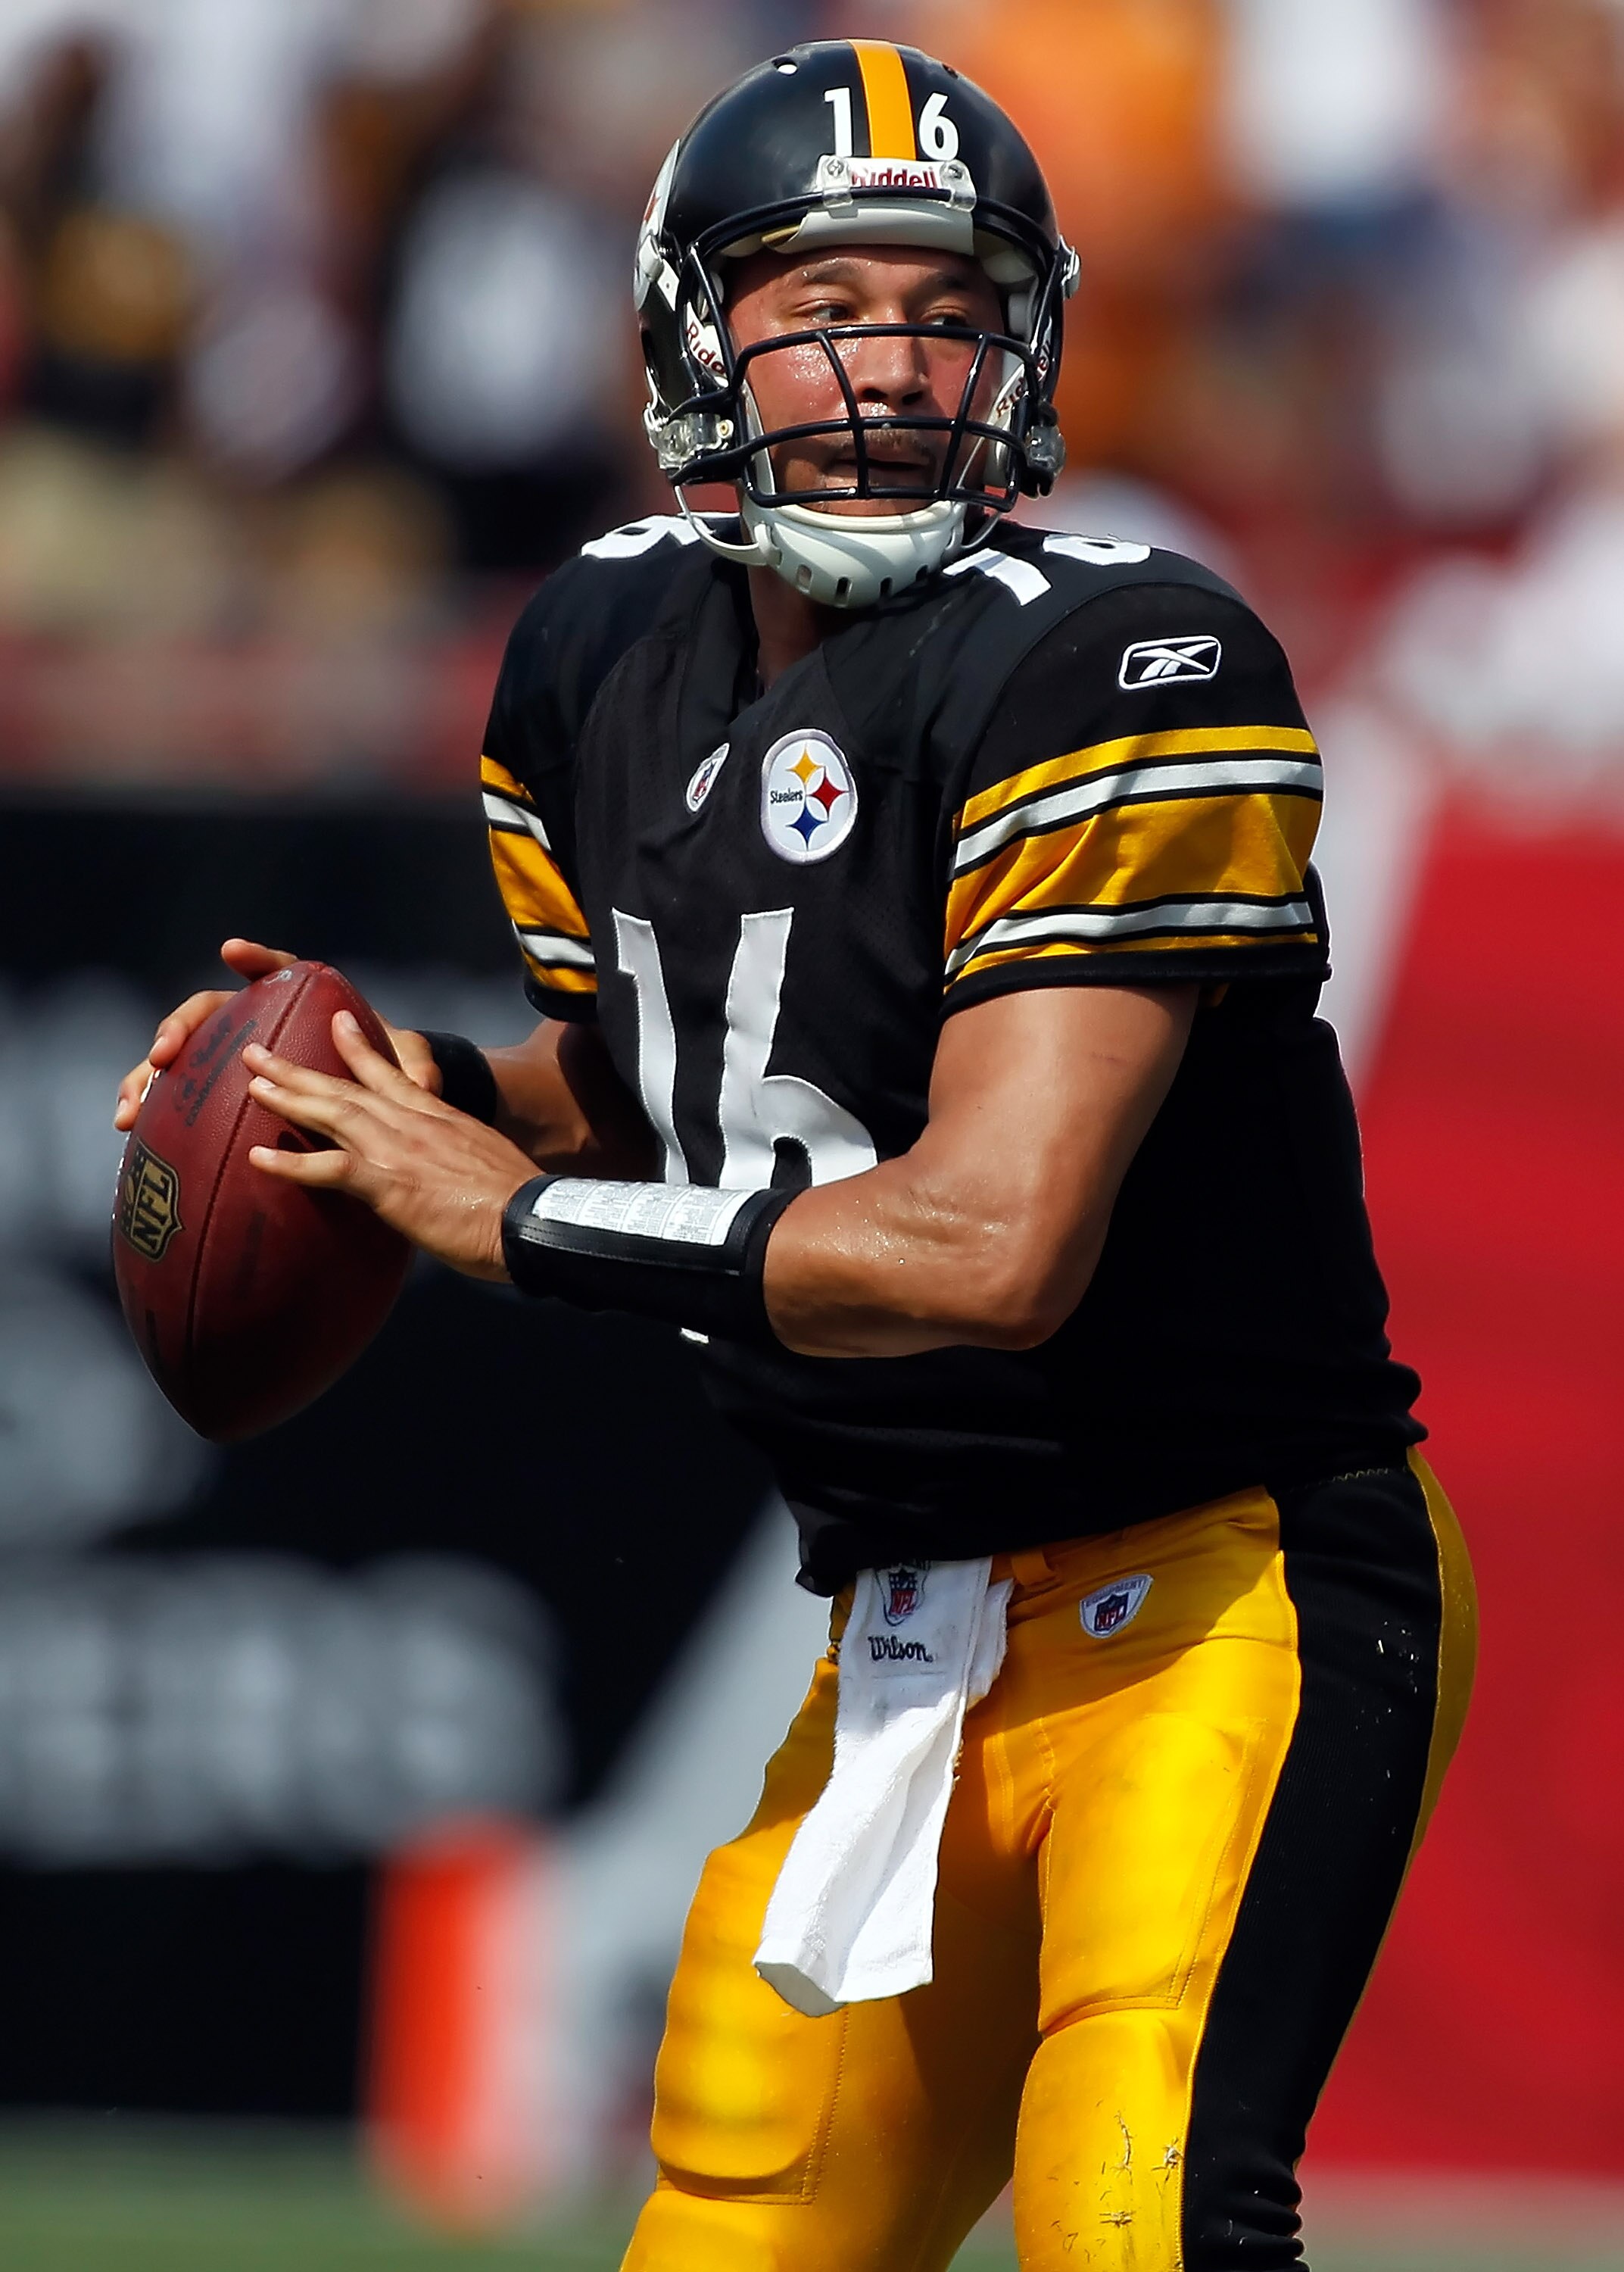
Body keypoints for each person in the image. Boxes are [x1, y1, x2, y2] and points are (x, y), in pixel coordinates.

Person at [115, 41, 1476, 2272]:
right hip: (907, 1632)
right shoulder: (593, 654)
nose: (894, 366)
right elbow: (668, 1084)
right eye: (829, 302)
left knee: (1140, 2213)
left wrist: (524, 1224)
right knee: (734, 2231)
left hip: (1222, 1593)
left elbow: (989, 1239)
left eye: (948, 313)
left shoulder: (1123, 660)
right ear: (689, 336)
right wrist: (387, 1107)